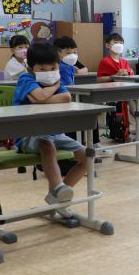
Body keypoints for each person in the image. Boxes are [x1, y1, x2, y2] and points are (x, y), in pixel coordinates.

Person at [13, 43, 87, 218]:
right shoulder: (26, 79)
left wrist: (41, 97)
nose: (49, 72)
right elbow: (39, 96)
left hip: (54, 133)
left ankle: (58, 197)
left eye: (53, 68)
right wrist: (54, 88)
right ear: (31, 69)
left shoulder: (53, 80)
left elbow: (66, 97)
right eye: (42, 69)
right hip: (27, 136)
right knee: (47, 145)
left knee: (87, 157)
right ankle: (58, 188)